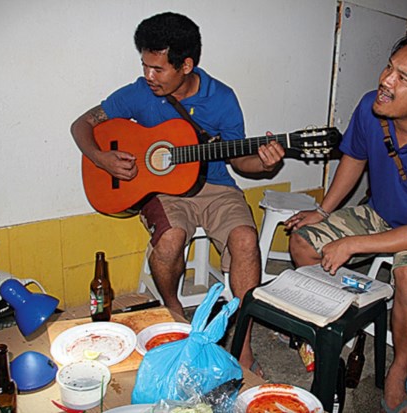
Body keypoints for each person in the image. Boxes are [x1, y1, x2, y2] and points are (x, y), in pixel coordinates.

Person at [71, 12, 284, 376]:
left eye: (158, 69)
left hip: (216, 187)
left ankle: (243, 343)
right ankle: (174, 311)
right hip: (163, 191)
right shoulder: (139, 93)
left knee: (246, 240)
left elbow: (239, 161)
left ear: (186, 65)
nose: (149, 76)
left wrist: (265, 165)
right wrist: (101, 158)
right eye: (145, 65)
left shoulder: (222, 98)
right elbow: (82, 124)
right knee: (170, 241)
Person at [286, 33, 407, 412]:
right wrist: (323, 210)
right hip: (382, 213)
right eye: (390, 67)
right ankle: (337, 326)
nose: (386, 80)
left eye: (402, 77)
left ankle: (398, 370)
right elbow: (354, 157)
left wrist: (352, 243)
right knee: (303, 243)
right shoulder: (372, 107)